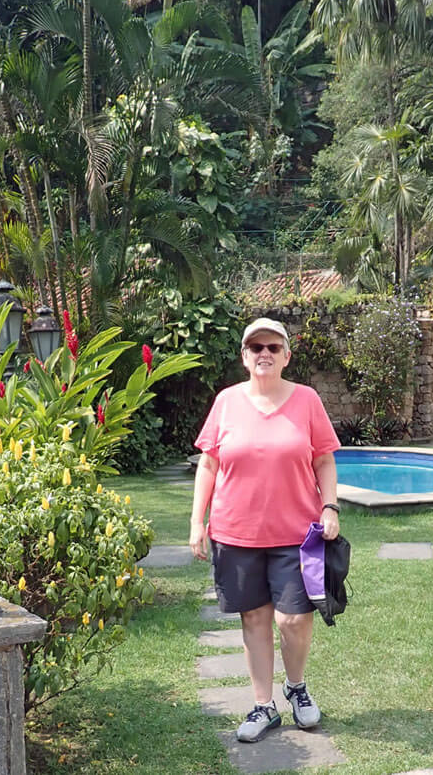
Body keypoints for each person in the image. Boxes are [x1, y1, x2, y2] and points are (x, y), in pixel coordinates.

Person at [190, 317, 341, 743]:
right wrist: (196, 522)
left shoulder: (307, 400)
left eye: (273, 347)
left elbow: (324, 459)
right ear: (244, 357)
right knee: (254, 617)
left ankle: (296, 688)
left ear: (287, 355)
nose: (265, 354)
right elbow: (209, 463)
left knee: (293, 617)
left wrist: (330, 506)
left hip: (297, 534)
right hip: (236, 533)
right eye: (256, 347)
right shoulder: (226, 402)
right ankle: (263, 705)